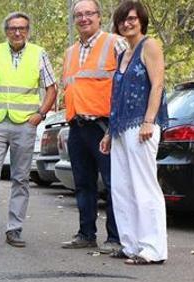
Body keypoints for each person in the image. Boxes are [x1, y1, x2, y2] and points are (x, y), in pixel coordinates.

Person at [0, 12, 58, 248]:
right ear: (6, 31)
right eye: (13, 28)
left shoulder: (39, 54)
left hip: (24, 125)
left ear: (28, 31)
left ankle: (14, 230)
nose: (18, 32)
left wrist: (40, 115)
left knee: (21, 179)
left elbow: (52, 88)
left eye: (22, 28)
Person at [99, 0, 169, 265]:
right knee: (122, 188)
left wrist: (149, 120)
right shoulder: (122, 54)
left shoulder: (149, 46)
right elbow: (117, 95)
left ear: (141, 20)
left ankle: (152, 248)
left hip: (142, 126)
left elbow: (158, 83)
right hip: (120, 128)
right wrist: (108, 132)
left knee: (144, 187)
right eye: (122, 21)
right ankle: (130, 244)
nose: (126, 24)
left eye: (131, 19)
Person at [61, 0, 126, 254]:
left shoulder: (114, 43)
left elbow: (126, 83)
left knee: (112, 183)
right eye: (79, 14)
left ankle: (115, 237)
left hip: (104, 126)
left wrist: (115, 124)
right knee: (83, 183)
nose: (84, 18)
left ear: (100, 17)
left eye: (89, 13)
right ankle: (86, 233)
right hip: (77, 126)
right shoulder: (70, 52)